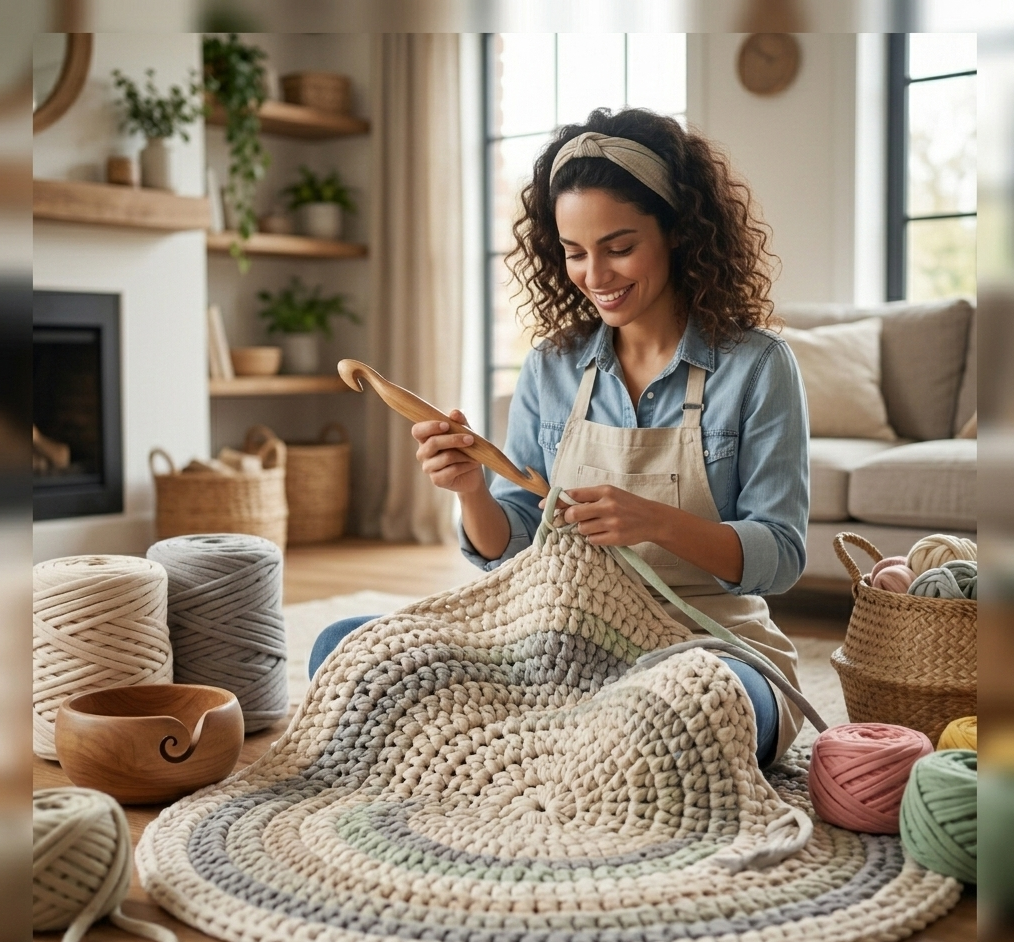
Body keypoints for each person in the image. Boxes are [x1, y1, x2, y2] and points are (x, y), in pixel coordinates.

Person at [309, 107, 809, 767]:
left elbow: (779, 555)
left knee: (693, 711)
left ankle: (526, 752)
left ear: (678, 232)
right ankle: (560, 749)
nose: (594, 275)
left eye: (619, 245)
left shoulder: (756, 366)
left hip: (704, 645)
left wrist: (654, 520)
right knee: (346, 647)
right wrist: (470, 493)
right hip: (561, 643)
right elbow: (511, 541)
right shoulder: (552, 365)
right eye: (575, 252)